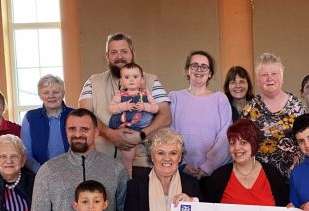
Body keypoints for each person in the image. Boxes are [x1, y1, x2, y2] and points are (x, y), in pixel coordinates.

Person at [79, 32, 171, 177]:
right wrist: (109, 134)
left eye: (124, 51)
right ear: (107, 56)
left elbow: (166, 116)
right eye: (114, 52)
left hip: (141, 163)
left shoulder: (152, 81)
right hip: (101, 162)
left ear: (133, 53)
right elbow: (84, 117)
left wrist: (141, 134)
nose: (119, 56)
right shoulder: (92, 82)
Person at [242, 53, 306, 179]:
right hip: (259, 179)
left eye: (274, 74)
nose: (269, 78)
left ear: (282, 77)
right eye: (264, 75)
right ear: (258, 80)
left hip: (293, 178)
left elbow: (306, 142)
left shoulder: (297, 107)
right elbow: (242, 144)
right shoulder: (249, 109)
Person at [169, 50, 232, 179]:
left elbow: (225, 136)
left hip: (215, 173)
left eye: (204, 66)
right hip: (181, 172)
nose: (199, 70)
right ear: (187, 70)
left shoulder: (220, 99)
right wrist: (182, 165)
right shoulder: (174, 97)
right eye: (194, 65)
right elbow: (169, 133)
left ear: (210, 73)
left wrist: (208, 166)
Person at [108, 63, 160, 178]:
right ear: (121, 81)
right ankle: (128, 172)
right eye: (127, 77)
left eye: (135, 77)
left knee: (153, 147)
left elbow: (156, 108)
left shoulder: (146, 93)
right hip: (127, 127)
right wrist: (124, 106)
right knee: (128, 150)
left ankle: (154, 172)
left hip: (144, 128)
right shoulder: (120, 94)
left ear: (142, 80)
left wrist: (145, 106)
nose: (131, 80)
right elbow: (111, 108)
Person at [21, 74, 74, 172]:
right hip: (39, 174)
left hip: (72, 172)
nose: (51, 96)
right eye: (46, 92)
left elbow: (84, 148)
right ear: (40, 95)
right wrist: (42, 172)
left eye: (56, 92)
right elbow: (26, 152)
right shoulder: (30, 117)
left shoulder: (75, 115)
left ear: (63, 93)